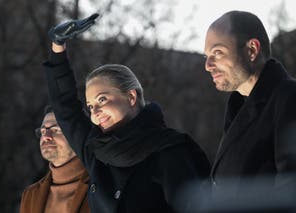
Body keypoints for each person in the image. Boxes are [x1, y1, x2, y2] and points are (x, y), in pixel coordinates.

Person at [42, 18, 211, 213]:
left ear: (131, 97)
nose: (95, 112)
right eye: (90, 106)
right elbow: (66, 108)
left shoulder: (172, 151)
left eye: (102, 100)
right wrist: (57, 46)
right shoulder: (96, 150)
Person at [204, 10, 296, 210]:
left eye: (217, 52)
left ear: (252, 50)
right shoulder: (237, 104)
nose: (208, 65)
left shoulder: (289, 98)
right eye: (207, 56)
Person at [20, 106, 90, 213]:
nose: (46, 137)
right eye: (43, 131)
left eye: (56, 130)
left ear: (79, 135)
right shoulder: (31, 194)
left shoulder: (103, 187)